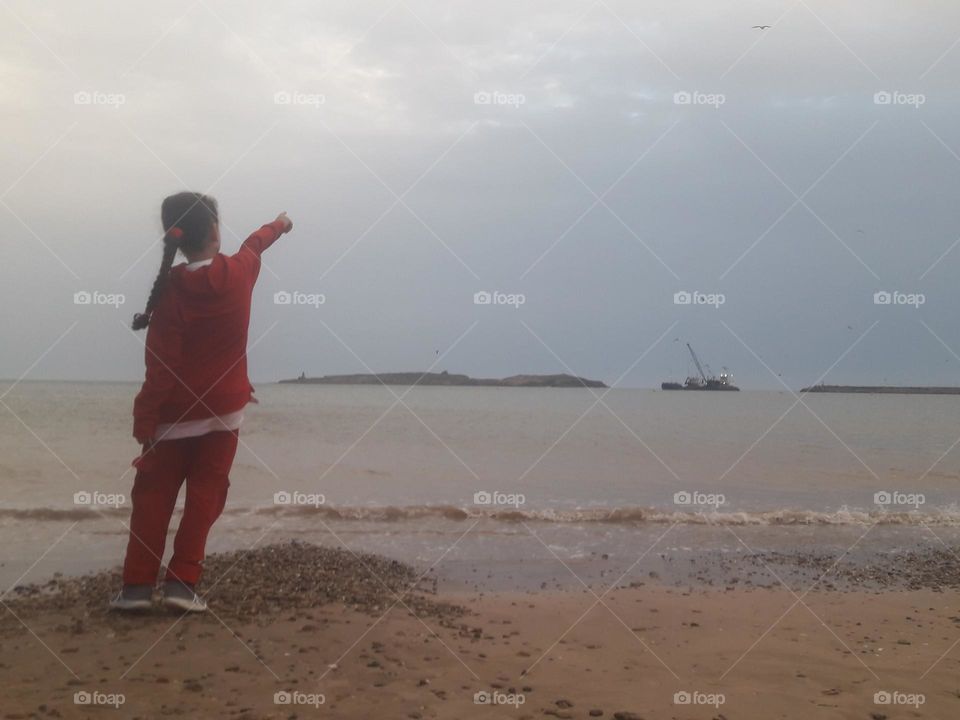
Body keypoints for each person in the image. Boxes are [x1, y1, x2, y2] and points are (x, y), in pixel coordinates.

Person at [110, 192, 293, 612]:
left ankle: (137, 589)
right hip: (225, 414)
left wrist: (145, 423)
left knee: (153, 498)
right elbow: (256, 241)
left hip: (173, 418)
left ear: (174, 237)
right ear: (214, 230)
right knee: (205, 497)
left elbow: (159, 369)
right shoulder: (240, 271)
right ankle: (182, 585)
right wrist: (281, 223)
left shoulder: (170, 291)